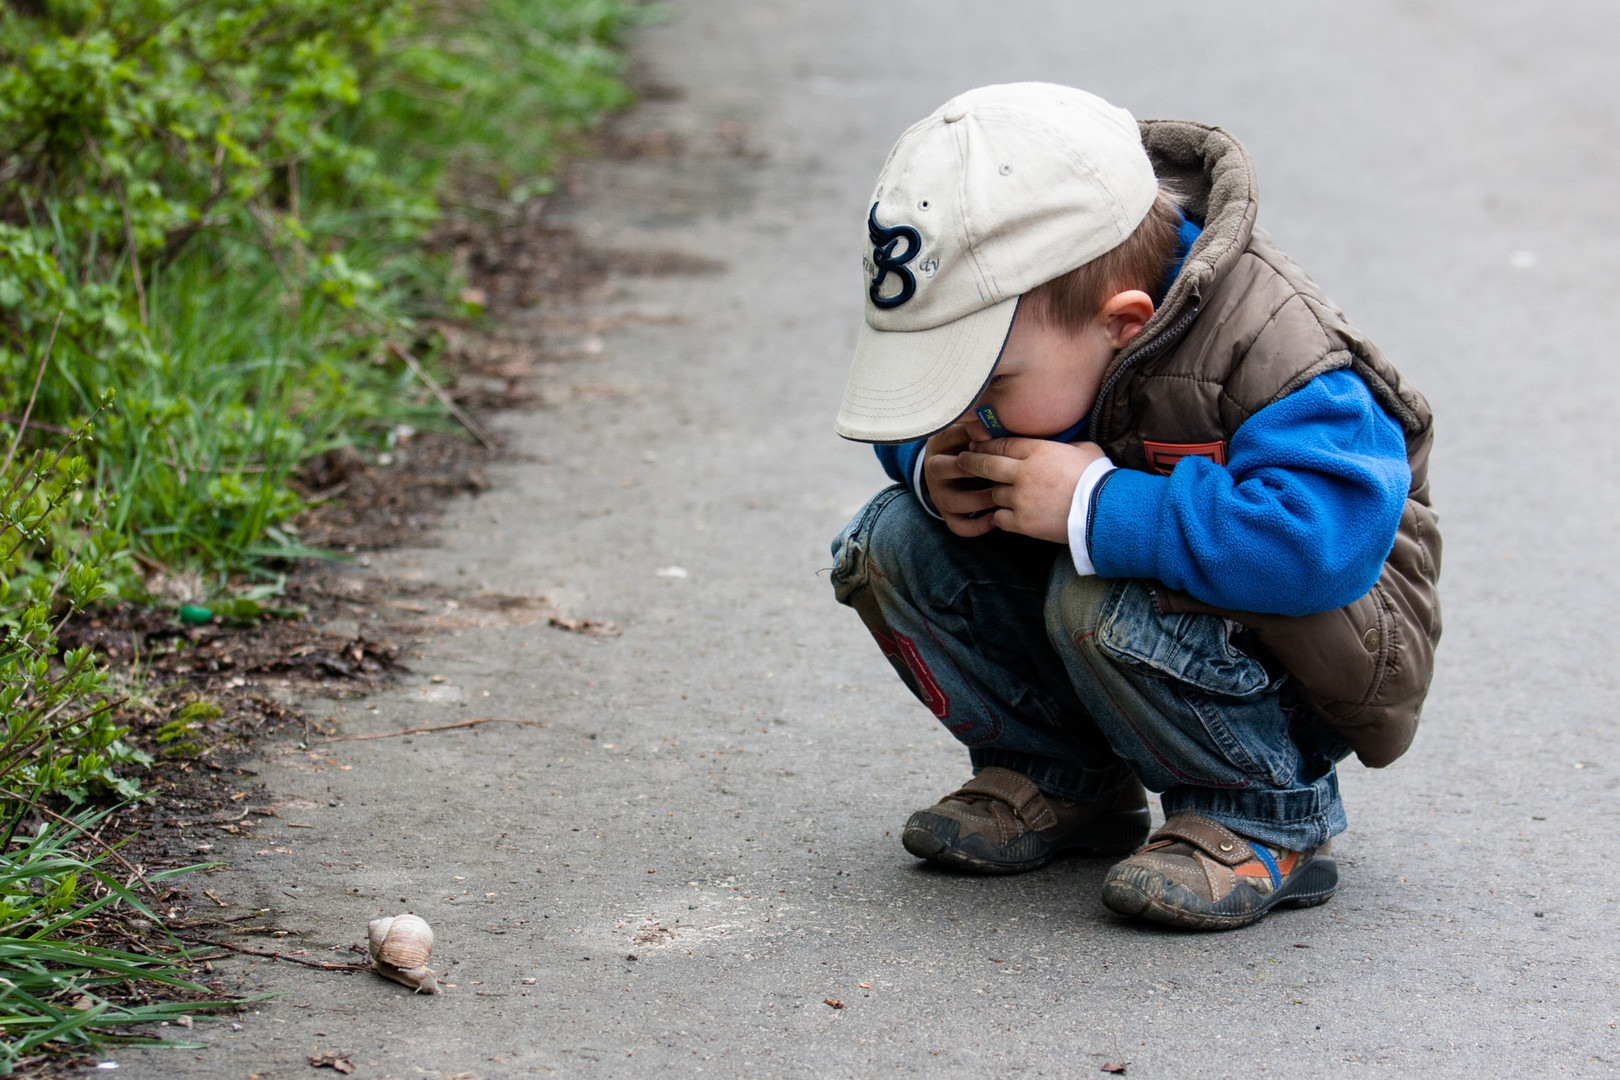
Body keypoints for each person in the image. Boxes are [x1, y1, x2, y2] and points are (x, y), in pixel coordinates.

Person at [829, 83, 1441, 931]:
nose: (964, 411)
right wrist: (929, 464)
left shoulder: (1279, 351)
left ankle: (1262, 811)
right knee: (891, 541)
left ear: (1124, 323)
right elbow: (927, 421)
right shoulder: (1047, 341)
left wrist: (1095, 501)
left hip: (1323, 638)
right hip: (1137, 609)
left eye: (985, 384)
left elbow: (1321, 545)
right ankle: (1062, 775)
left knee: (1100, 592)